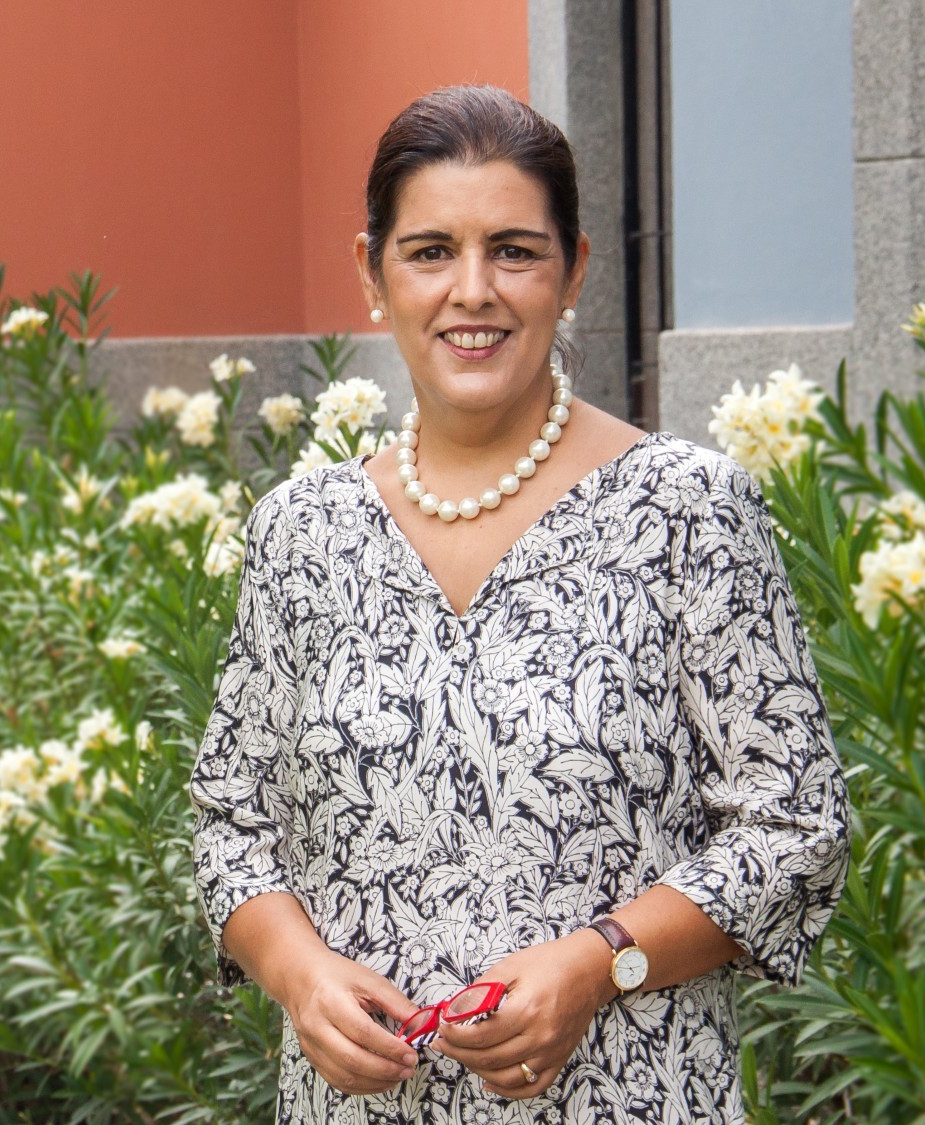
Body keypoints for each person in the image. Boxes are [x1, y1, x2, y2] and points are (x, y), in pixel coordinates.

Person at [189, 85, 852, 1123]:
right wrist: (298, 975)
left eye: (513, 251)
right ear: (371, 272)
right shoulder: (300, 531)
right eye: (429, 252)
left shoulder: (686, 510)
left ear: (572, 268)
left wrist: (600, 961)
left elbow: (795, 822)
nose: (473, 291)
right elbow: (232, 820)